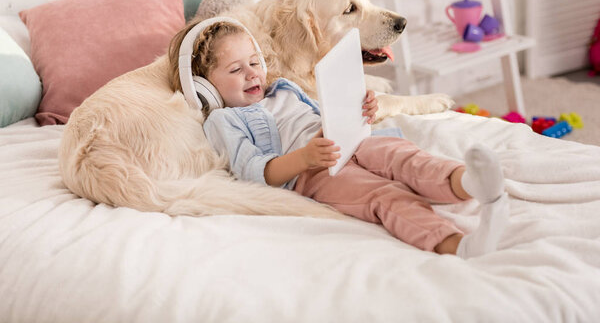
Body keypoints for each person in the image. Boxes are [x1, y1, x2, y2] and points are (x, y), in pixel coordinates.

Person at [192, 20, 509, 258]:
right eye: (236, 69)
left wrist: (360, 111)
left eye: (254, 62)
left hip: (352, 141)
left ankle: (470, 183)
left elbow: (323, 113)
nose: (252, 73)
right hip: (314, 173)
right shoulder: (224, 120)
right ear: (206, 85)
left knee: (403, 156)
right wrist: (304, 158)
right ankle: (461, 246)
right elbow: (253, 172)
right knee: (385, 194)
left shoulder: (284, 88)